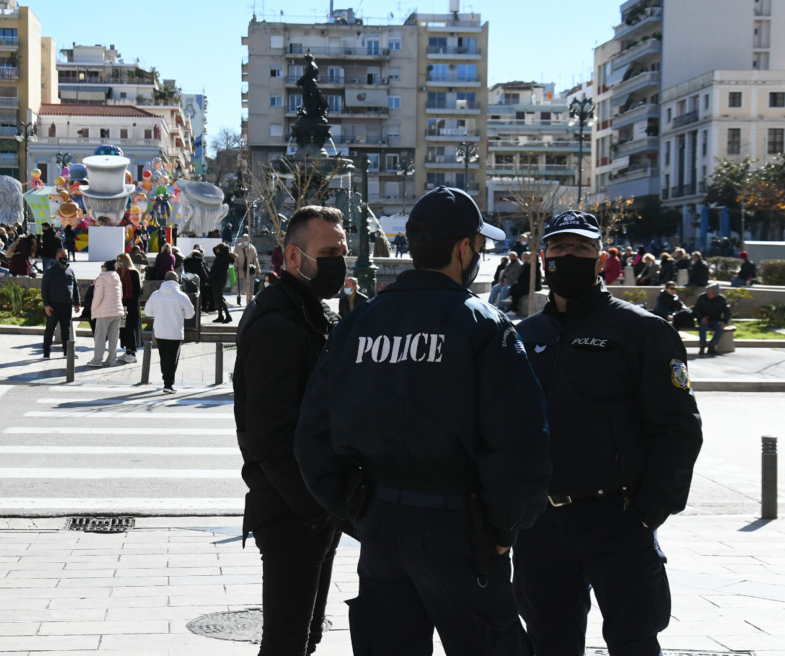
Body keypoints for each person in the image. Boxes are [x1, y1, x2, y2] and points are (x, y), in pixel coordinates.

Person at [294, 186, 550, 654]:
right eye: (479, 245)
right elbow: (521, 439)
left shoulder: (357, 325)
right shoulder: (483, 325)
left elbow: (312, 436)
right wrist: (506, 527)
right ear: (463, 249)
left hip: (381, 523)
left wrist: (356, 511)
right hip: (461, 526)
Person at [513, 210, 703, 656]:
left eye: (582, 248)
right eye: (559, 247)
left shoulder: (643, 331)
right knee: (547, 643)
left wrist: (648, 512)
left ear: (601, 259)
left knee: (634, 641)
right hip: (541, 526)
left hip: (617, 519)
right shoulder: (524, 335)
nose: (569, 255)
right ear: (543, 257)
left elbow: (678, 429)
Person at [233, 205, 348, 656]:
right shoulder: (278, 323)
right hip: (292, 509)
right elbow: (269, 436)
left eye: (342, 251)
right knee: (286, 643)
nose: (339, 261)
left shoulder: (309, 312)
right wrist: (313, 508)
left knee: (306, 637)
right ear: (294, 257)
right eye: (329, 253)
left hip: (316, 505)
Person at [145, 271, 197, 393]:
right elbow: (190, 314)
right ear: (177, 281)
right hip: (175, 331)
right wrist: (181, 314)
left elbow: (148, 312)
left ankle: (166, 379)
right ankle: (168, 383)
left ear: (164, 280)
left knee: (163, 357)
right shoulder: (182, 296)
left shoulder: (155, 295)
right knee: (172, 358)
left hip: (160, 330)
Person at [40, 249, 80, 359]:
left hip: (67, 305)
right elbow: (44, 289)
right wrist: (46, 305)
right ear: (57, 258)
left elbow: (75, 287)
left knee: (66, 330)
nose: (65, 257)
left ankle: (67, 352)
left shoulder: (70, 271)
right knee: (50, 329)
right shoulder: (50, 271)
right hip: (53, 305)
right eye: (62, 255)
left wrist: (77, 303)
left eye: (66, 255)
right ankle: (46, 352)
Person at [88, 260, 124, 368]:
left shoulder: (102, 279)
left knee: (100, 337)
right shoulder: (117, 278)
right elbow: (121, 295)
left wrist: (93, 309)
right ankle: (112, 360)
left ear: (105, 268)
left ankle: (97, 360)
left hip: (103, 312)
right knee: (114, 338)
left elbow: (98, 297)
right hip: (117, 311)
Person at [117, 252, 144, 363]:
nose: (118, 263)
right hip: (122, 305)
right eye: (118, 261)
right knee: (124, 328)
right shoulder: (118, 272)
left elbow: (138, 291)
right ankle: (127, 350)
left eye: (120, 261)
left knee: (131, 327)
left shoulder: (133, 273)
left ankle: (133, 352)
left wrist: (128, 300)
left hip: (132, 306)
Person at [694, 281, 731, 356]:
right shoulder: (702, 297)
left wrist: (724, 321)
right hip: (703, 319)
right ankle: (702, 346)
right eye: (708, 291)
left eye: (711, 292)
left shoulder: (721, 299)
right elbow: (696, 310)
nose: (709, 293)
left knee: (720, 327)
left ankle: (712, 345)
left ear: (716, 293)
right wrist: (701, 318)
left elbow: (727, 312)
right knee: (703, 326)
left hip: (715, 320)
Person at [507, 252, 541, 317]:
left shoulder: (534, 266)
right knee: (514, 287)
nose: (528, 259)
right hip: (527, 284)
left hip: (533, 286)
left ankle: (513, 309)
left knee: (516, 291)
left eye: (529, 258)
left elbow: (525, 277)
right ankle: (511, 303)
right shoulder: (527, 265)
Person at [184, 245, 214, 313]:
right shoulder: (199, 262)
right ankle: (203, 308)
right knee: (205, 293)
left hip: (189, 282)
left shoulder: (186, 262)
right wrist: (208, 281)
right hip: (199, 282)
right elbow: (203, 272)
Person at [210, 243, 234, 323]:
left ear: (221, 250)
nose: (216, 250)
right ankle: (220, 316)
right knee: (216, 299)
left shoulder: (225, 258)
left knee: (219, 299)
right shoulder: (220, 256)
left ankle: (228, 316)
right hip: (215, 280)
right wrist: (220, 248)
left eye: (218, 249)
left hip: (219, 280)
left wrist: (225, 247)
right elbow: (214, 249)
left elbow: (221, 252)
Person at [234, 233, 259, 306]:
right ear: (242, 240)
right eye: (244, 240)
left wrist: (258, 268)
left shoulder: (252, 248)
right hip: (240, 269)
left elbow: (255, 259)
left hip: (250, 269)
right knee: (240, 285)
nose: (246, 241)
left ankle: (249, 299)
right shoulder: (237, 247)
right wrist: (235, 265)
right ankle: (239, 297)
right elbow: (234, 258)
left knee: (251, 285)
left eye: (247, 240)